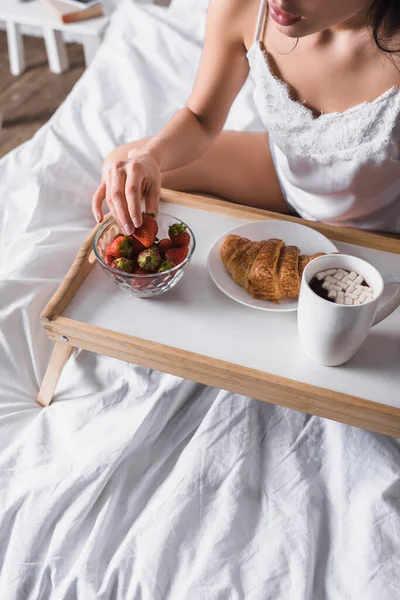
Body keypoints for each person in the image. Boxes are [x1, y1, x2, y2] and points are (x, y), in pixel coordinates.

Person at [92, 0, 400, 234]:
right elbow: (201, 118)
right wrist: (150, 157)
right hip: (284, 181)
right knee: (125, 173)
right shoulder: (244, 7)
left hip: (383, 217)